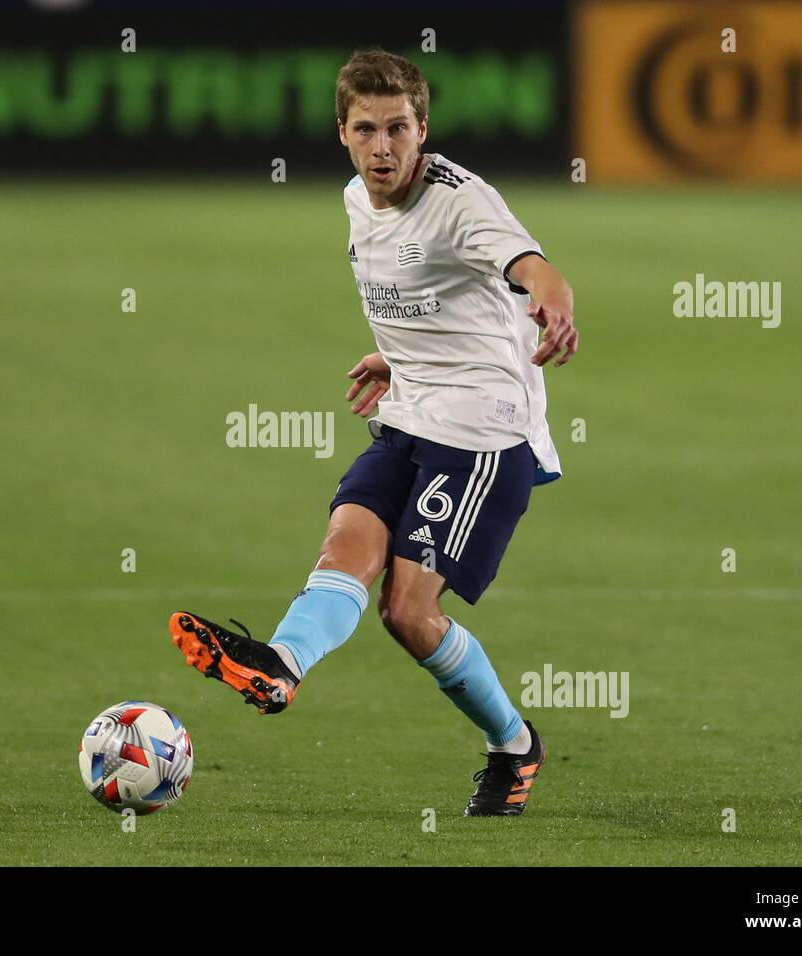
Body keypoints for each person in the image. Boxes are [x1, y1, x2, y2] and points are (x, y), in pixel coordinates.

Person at [169, 48, 577, 817]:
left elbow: (530, 265)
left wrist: (555, 302)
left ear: (423, 130)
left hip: (483, 433)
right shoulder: (359, 197)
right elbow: (430, 296)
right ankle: (279, 665)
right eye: (367, 130)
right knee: (343, 548)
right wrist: (396, 357)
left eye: (398, 128)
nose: (383, 147)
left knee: (407, 611)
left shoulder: (460, 201)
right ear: (343, 134)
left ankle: (514, 746)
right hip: (411, 412)